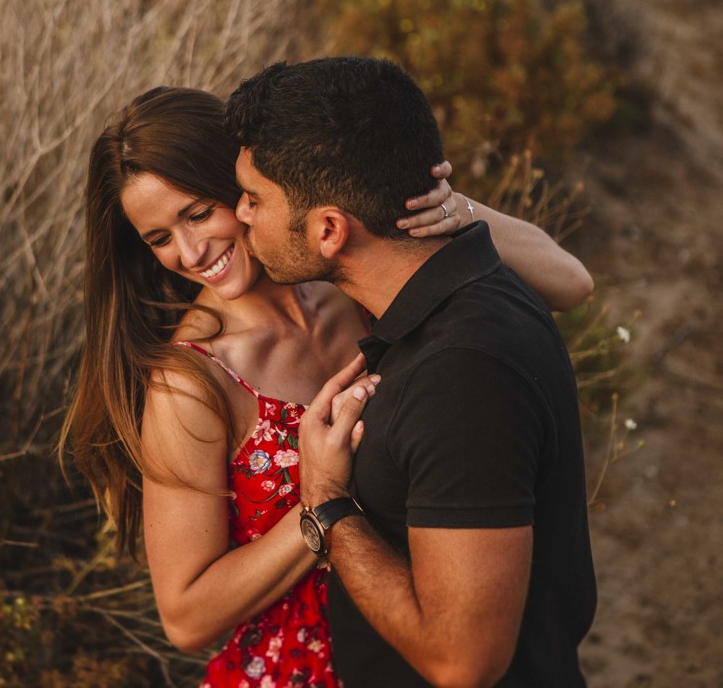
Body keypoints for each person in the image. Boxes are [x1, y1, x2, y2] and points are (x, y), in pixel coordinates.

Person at [59, 86, 593, 687]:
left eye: (198, 212)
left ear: (244, 185)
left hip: (428, 628)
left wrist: (452, 208)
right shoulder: (193, 382)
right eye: (158, 239)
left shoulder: (352, 274)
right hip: (304, 669)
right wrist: (318, 506)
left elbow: (570, 284)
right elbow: (185, 616)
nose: (189, 251)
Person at [225, 57, 596, 688]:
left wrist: (327, 503)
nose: (239, 215)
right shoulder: (469, 292)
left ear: (329, 229)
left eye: (255, 199)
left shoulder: (462, 373)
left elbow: (463, 662)